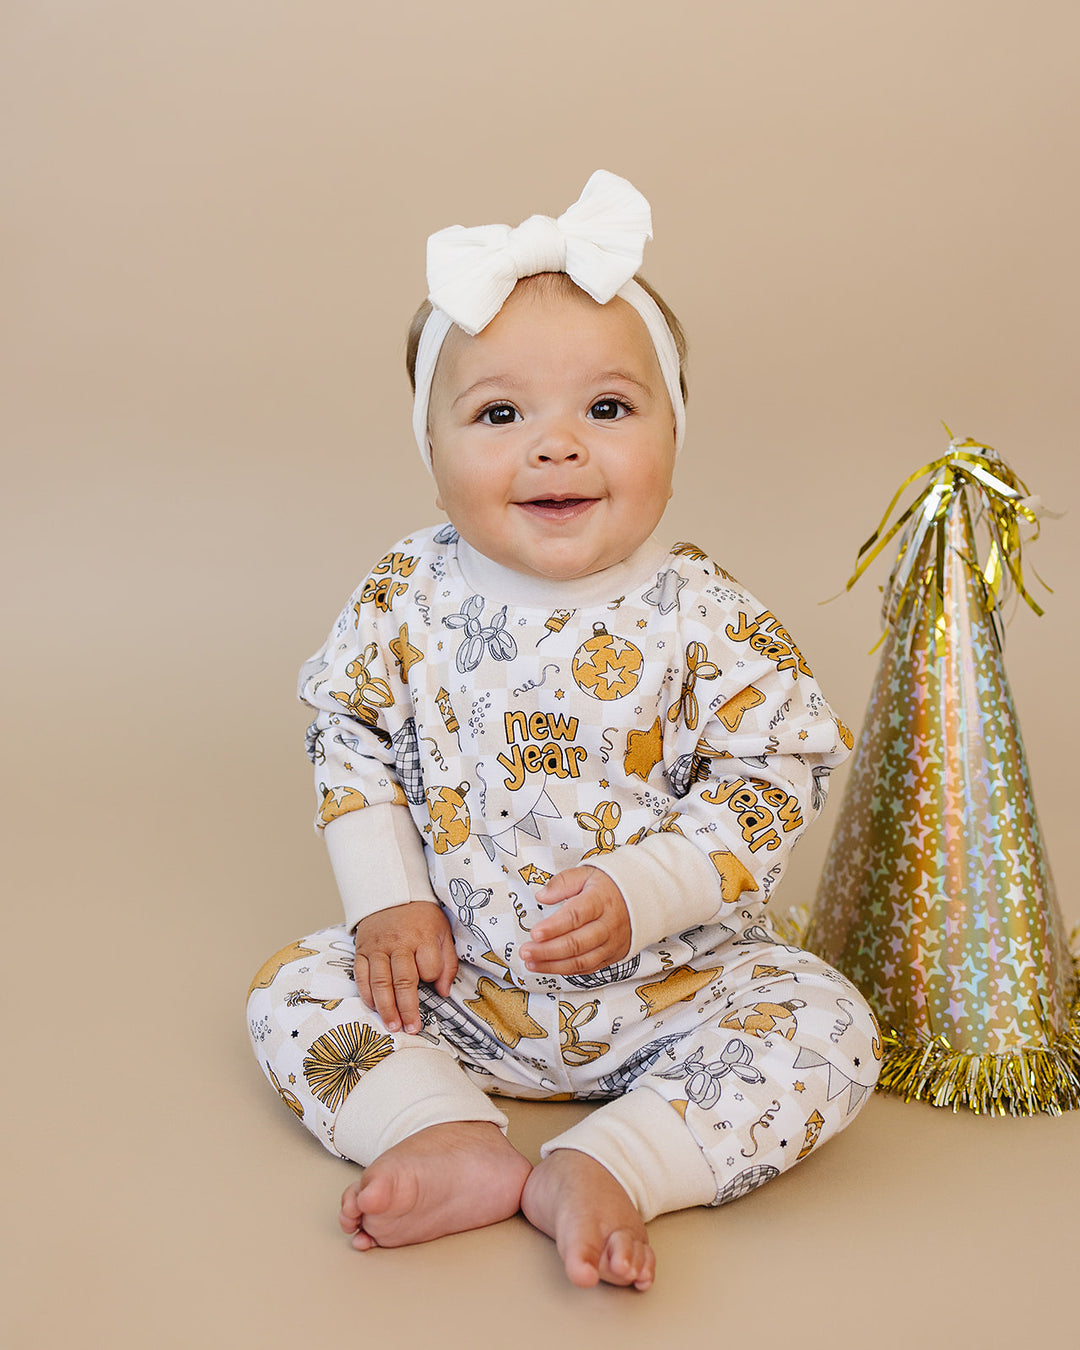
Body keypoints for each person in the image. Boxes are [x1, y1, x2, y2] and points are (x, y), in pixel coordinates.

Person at [246, 170, 881, 1292]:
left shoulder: (705, 616)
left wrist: (654, 888)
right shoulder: (409, 594)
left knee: (830, 1028)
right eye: (500, 414)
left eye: (608, 408)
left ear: (672, 435)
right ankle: (435, 1129)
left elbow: (772, 773)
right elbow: (347, 732)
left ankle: (616, 1158)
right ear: (433, 457)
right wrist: (387, 896)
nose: (557, 447)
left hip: (674, 999)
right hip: (454, 988)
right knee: (294, 990)